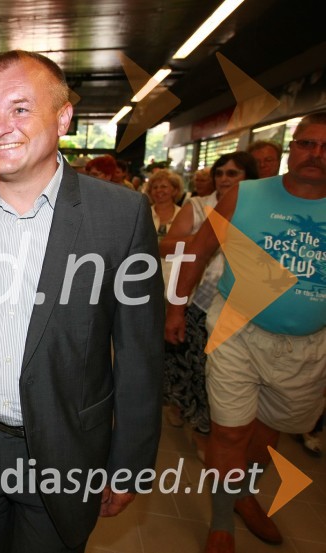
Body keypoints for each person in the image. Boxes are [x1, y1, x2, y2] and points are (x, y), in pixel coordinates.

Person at [0, 50, 164, 553]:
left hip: (64, 445)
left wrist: (129, 463)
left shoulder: (120, 215)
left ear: (63, 116)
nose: (0, 126)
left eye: (20, 108)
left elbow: (139, 354)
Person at [165, 112, 326, 553]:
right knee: (230, 433)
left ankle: (242, 494)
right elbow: (197, 253)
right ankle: (222, 521)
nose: (316, 154)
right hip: (237, 331)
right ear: (294, 148)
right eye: (308, 143)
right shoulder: (245, 196)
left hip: (309, 348)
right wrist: (175, 309)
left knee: (267, 434)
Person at [159, 152, 258, 459]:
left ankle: (220, 430)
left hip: (244, 306)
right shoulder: (200, 207)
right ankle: (202, 431)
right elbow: (165, 246)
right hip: (200, 299)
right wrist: (206, 239)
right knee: (199, 371)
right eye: (221, 173)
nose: (225, 179)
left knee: (221, 376)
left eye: (234, 174)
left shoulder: (260, 209)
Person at [148, 169, 182, 239]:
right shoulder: (143, 214)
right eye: (155, 187)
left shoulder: (183, 214)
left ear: (175, 190)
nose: (158, 190)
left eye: (163, 186)